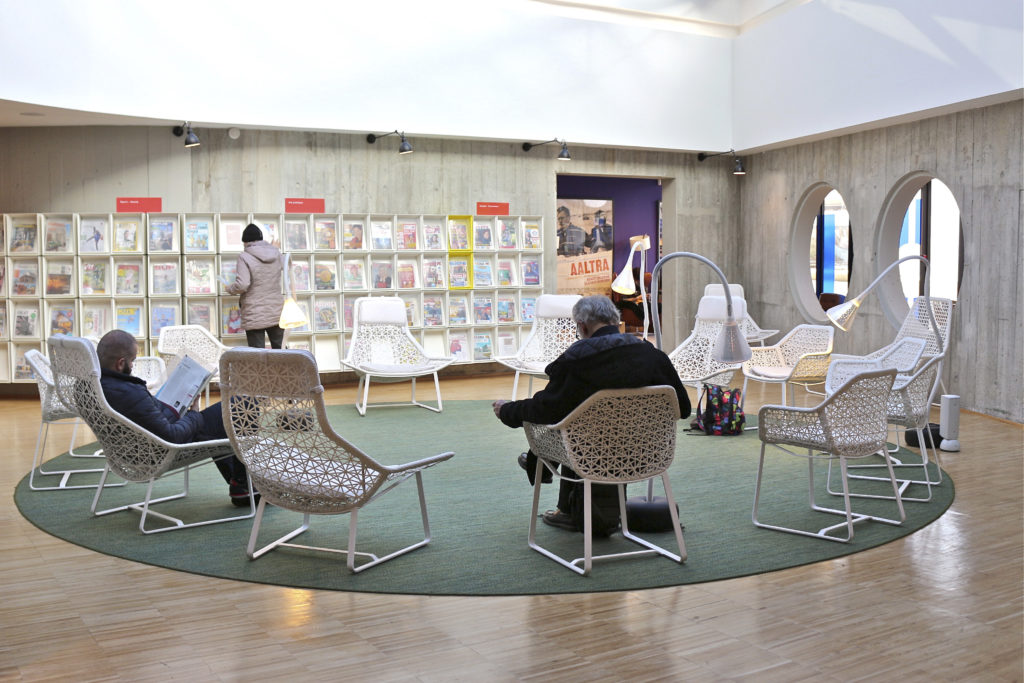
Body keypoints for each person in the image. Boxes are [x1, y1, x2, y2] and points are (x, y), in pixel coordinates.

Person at [492, 295, 690, 536]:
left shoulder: (577, 361)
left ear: (582, 326)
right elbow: (684, 407)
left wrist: (507, 410)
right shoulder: (654, 356)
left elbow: (545, 409)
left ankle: (543, 472)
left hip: (589, 452)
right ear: (615, 321)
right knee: (583, 422)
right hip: (645, 452)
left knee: (571, 425)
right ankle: (550, 480)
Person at [95, 329, 254, 506]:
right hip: (163, 451)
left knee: (226, 419)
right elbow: (173, 436)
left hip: (134, 450)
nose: (132, 366)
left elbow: (145, 417)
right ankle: (243, 486)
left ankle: (241, 485)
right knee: (242, 406)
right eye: (132, 361)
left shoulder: (94, 387)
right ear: (120, 363)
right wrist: (193, 412)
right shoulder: (130, 392)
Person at [225, 224, 285, 349]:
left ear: (245, 242)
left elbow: (242, 284)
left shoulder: (244, 256)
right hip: (276, 310)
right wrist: (275, 250)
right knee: (282, 351)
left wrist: (230, 288)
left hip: (254, 313)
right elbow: (288, 267)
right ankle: (286, 369)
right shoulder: (276, 252)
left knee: (258, 355)